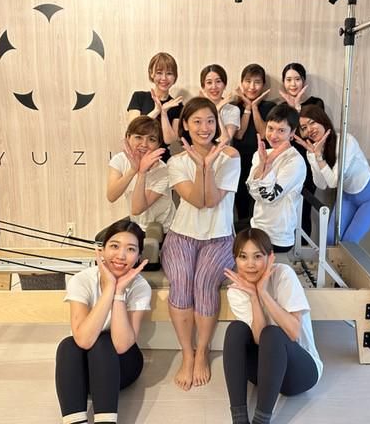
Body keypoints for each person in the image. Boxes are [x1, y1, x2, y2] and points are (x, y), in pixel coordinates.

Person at [161, 97, 241, 391]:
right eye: (196, 121)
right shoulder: (176, 162)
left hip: (219, 238)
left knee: (205, 282)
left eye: (209, 121)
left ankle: (203, 350)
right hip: (181, 236)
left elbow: (211, 201)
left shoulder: (230, 156)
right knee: (181, 281)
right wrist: (200, 166)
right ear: (185, 125)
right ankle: (187, 352)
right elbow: (195, 200)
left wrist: (207, 166)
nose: (204, 127)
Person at [55, 219, 151, 424]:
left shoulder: (140, 287)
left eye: (131, 249)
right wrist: (109, 289)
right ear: (102, 250)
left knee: (104, 342)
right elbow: (83, 340)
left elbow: (122, 344)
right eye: (114, 246)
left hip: (122, 366)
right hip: (84, 375)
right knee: (67, 346)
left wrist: (119, 292)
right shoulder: (82, 280)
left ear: (138, 257)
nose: (121, 255)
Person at [223, 228, 322, 424]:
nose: (250, 264)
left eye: (257, 256)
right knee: (235, 330)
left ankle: (261, 421)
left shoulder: (284, 275)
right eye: (243, 257)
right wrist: (253, 296)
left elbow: (293, 332)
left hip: (300, 372)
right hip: (265, 372)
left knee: (273, 334)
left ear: (270, 258)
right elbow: (259, 339)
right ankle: (239, 419)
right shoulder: (236, 291)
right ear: (235, 259)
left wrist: (263, 293)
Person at [296, 105, 370, 245]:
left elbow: (333, 182)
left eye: (312, 123)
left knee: (349, 242)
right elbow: (321, 185)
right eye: (304, 127)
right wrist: (314, 157)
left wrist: (319, 158)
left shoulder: (346, 141)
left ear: (322, 120)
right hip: (347, 196)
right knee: (330, 239)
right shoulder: (313, 150)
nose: (309, 129)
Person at [106, 116, 175, 271]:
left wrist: (141, 172)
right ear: (128, 137)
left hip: (163, 231)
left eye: (151, 139)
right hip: (137, 225)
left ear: (158, 144)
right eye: (138, 137)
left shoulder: (164, 171)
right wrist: (133, 170)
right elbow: (112, 196)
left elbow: (137, 208)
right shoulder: (119, 160)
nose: (144, 144)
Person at [247, 104, 306, 253]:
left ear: (292, 133)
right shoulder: (260, 154)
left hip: (279, 237)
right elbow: (253, 192)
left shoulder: (295, 161)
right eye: (270, 128)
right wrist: (263, 162)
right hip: (257, 227)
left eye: (281, 130)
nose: (273, 135)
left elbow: (269, 196)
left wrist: (268, 163)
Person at [279, 63, 326, 240]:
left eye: (297, 79)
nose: (293, 84)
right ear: (283, 82)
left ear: (304, 81)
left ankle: (304, 249)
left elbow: (310, 134)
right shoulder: (281, 108)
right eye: (289, 80)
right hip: (287, 164)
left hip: (309, 163)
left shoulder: (315, 104)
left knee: (305, 208)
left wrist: (297, 109)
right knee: (286, 208)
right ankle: (288, 247)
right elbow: (282, 137)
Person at [231, 64, 273, 225]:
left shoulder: (270, 107)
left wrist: (254, 106)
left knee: (258, 206)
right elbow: (238, 134)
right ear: (242, 83)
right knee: (241, 203)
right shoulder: (235, 107)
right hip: (239, 161)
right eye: (248, 81)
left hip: (262, 162)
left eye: (257, 82)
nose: (252, 86)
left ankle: (257, 236)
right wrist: (247, 108)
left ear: (263, 85)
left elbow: (263, 134)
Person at [126, 52, 183, 159]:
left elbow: (169, 140)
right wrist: (156, 111)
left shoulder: (177, 105)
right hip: (138, 156)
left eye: (169, 73)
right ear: (151, 73)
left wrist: (164, 113)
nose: (164, 78)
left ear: (175, 76)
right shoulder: (139, 97)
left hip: (162, 159)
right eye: (159, 73)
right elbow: (132, 129)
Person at [200, 64, 239, 143]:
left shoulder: (233, 110)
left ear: (224, 85)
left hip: (223, 151)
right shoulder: (197, 109)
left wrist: (216, 110)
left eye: (218, 81)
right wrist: (217, 108)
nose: (214, 86)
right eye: (209, 82)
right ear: (203, 86)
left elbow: (225, 141)